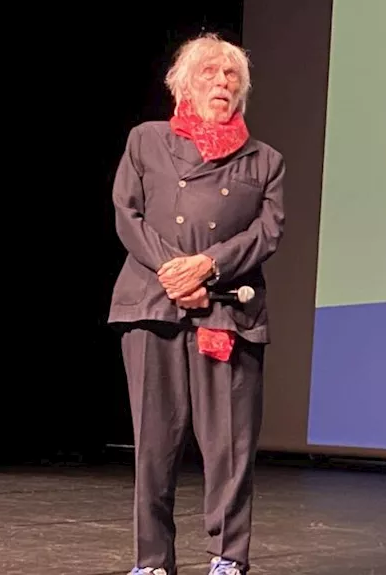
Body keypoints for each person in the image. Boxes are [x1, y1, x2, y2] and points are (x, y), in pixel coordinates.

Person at [108, 33, 286, 575]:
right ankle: (152, 560)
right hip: (153, 306)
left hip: (228, 310)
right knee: (154, 442)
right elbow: (127, 213)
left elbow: (268, 231)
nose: (222, 83)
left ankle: (227, 556)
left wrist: (207, 266)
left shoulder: (266, 160)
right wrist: (173, 271)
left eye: (231, 76)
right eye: (210, 73)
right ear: (183, 84)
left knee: (229, 446)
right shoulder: (147, 141)